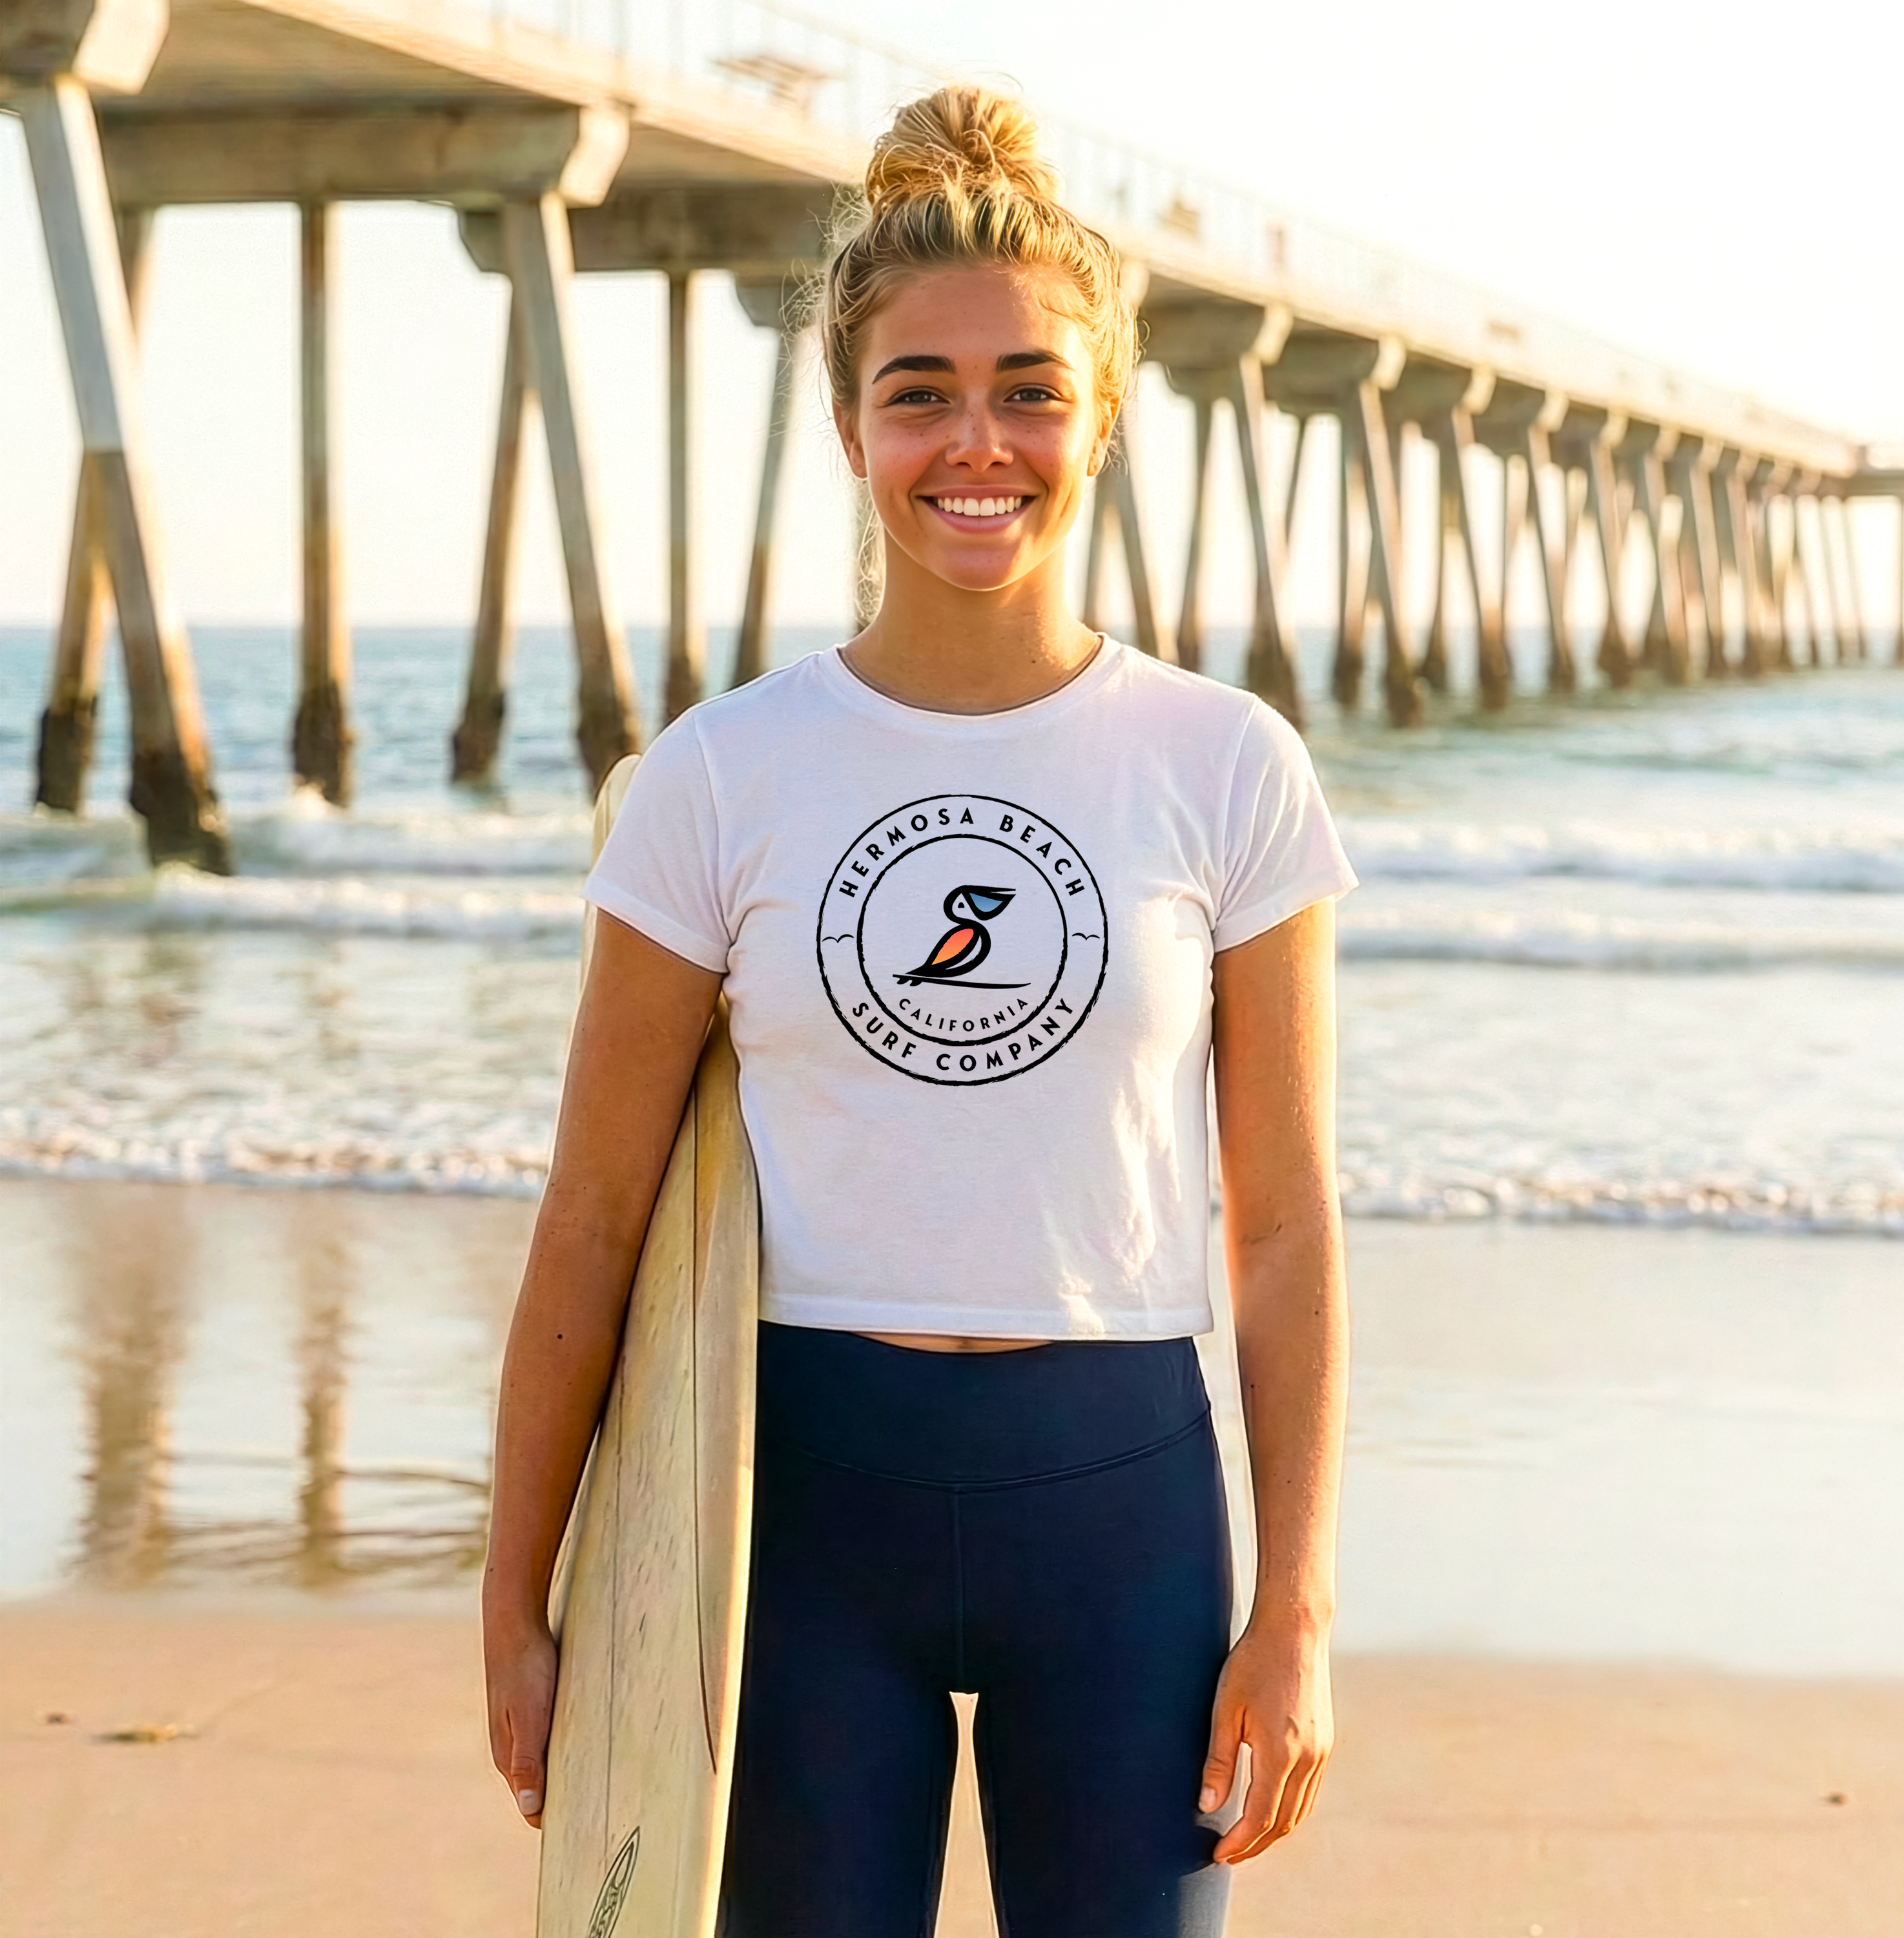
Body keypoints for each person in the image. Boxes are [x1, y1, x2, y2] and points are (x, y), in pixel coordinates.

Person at [483, 84, 1354, 1938]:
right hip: (796, 1512)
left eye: (1031, 388)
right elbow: (593, 1214)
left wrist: (1295, 1611)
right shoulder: (722, 780)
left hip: (1120, 1508)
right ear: (852, 425)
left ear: (1102, 417)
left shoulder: (1224, 766)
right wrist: (520, 1597)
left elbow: (1281, 1230)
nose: (981, 441)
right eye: (923, 392)